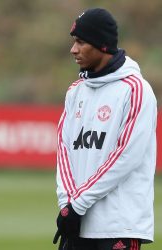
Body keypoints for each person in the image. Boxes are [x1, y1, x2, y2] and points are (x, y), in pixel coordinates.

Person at [54, 8, 157, 250]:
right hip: (77, 222)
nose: (73, 49)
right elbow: (64, 151)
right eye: (73, 42)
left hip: (119, 224)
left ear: (102, 45)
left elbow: (125, 156)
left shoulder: (136, 90)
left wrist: (78, 204)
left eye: (81, 42)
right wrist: (67, 204)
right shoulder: (75, 91)